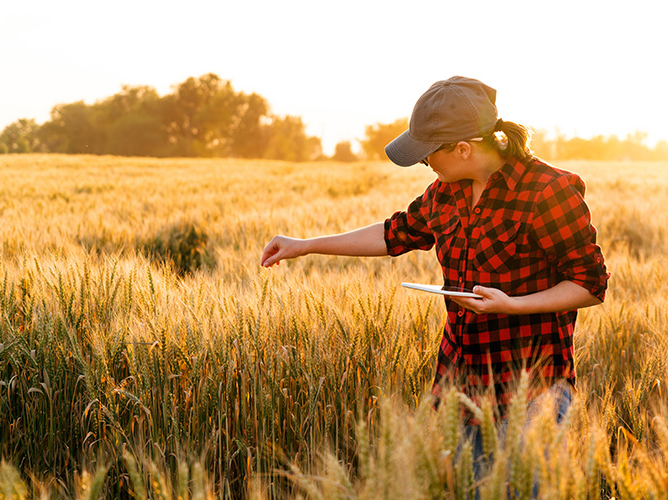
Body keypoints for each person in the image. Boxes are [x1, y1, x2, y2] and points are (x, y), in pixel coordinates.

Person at [260, 76, 609, 477]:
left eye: (428, 155)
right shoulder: (446, 192)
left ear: (463, 149)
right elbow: (394, 234)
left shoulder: (548, 190)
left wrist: (511, 306)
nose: (425, 164)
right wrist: (305, 244)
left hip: (531, 389)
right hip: (459, 384)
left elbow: (590, 284)